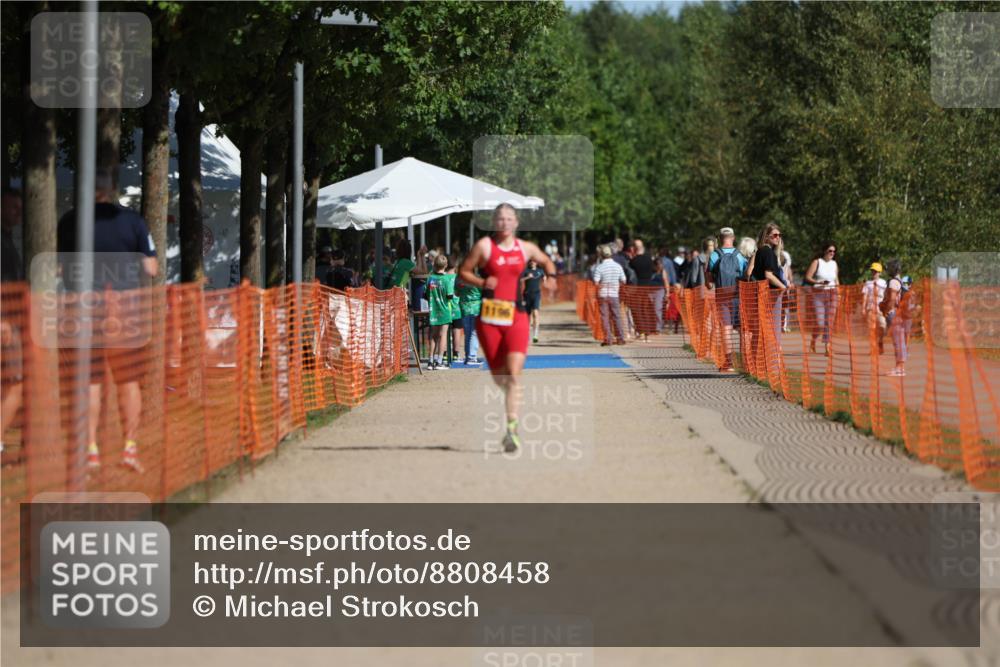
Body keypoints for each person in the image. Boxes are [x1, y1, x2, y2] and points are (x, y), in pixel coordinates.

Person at [57, 169, 159, 473]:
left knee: (90, 383)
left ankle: (91, 451)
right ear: (113, 188)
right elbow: (152, 268)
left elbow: (62, 270)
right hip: (124, 313)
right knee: (128, 382)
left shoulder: (70, 221)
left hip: (85, 311)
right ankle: (129, 449)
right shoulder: (133, 222)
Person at [459, 203, 556, 453]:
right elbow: (463, 272)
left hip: (516, 316)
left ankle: (512, 429)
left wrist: (552, 277)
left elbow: (546, 261)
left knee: (514, 374)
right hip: (489, 319)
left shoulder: (525, 248)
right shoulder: (484, 247)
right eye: (500, 219)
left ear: (516, 223)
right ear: (494, 222)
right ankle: (510, 402)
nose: (504, 222)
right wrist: (482, 281)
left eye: (509, 218)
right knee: (499, 376)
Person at [1, 189, 24, 461]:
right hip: (5, 323)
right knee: (15, 382)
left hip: (12, 321)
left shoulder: (8, 240)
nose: (17, 212)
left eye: (20, 207)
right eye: (12, 207)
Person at [708, 227, 749, 372]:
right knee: (742, 329)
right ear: (733, 237)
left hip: (722, 295)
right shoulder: (740, 255)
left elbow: (709, 281)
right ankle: (746, 363)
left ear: (719, 238)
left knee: (726, 328)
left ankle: (729, 363)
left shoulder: (714, 255)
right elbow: (746, 275)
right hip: (738, 294)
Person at [749, 223, 788, 356]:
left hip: (762, 295)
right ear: (766, 237)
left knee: (761, 329)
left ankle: (756, 362)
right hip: (770, 296)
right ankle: (771, 363)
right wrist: (783, 286)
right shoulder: (767, 252)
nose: (778, 238)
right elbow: (768, 275)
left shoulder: (761, 251)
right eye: (775, 235)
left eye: (779, 235)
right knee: (772, 329)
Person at [803, 242, 839, 356]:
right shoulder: (817, 262)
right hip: (819, 293)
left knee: (829, 321)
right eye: (830, 251)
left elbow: (836, 279)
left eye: (834, 251)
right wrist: (819, 282)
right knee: (820, 322)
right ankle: (813, 340)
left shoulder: (834, 264)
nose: (832, 253)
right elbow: (808, 277)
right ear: (825, 251)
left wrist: (839, 292)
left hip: (832, 293)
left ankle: (827, 347)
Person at [880, 259, 911, 377]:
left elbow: (892, 299)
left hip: (894, 313)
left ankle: (899, 368)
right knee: (900, 341)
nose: (887, 270)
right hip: (900, 314)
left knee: (897, 341)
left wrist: (886, 310)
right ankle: (900, 367)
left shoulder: (893, 282)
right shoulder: (900, 281)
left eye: (888, 267)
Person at [591, 244, 627, 347]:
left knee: (604, 317)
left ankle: (608, 339)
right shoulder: (618, 266)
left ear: (601, 255)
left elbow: (596, 282)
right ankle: (620, 339)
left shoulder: (599, 267)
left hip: (602, 295)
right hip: (614, 294)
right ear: (611, 255)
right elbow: (624, 280)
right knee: (617, 317)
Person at [425, 254, 455, 370]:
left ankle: (430, 361)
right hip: (445, 310)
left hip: (433, 310)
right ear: (446, 265)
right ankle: (439, 361)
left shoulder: (430, 278)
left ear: (434, 265)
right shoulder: (447, 279)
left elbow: (426, 294)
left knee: (434, 335)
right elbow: (450, 296)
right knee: (443, 335)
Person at [456, 268, 482, 365]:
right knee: (474, 332)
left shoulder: (459, 278)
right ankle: (472, 357)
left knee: (467, 333)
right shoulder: (478, 278)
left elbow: (456, 293)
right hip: (476, 308)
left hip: (464, 307)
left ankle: (468, 356)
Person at [861, 261, 887, 351]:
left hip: (881, 309)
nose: (874, 273)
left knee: (883, 326)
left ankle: (880, 341)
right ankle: (873, 348)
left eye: (876, 271)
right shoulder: (868, 283)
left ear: (880, 272)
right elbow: (864, 296)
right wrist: (863, 308)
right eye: (873, 271)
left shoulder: (884, 283)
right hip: (870, 308)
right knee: (871, 329)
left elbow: (887, 294)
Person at [520, 258, 545, 343]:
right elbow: (519, 280)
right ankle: (527, 335)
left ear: (536, 262)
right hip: (527, 295)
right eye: (531, 261)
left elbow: (544, 276)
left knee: (535, 313)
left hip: (536, 294)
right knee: (527, 317)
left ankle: (535, 335)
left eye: (534, 261)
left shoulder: (540, 271)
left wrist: (545, 278)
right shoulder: (525, 271)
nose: (532, 263)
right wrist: (527, 277)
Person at [448, 256, 465, 363]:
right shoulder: (458, 278)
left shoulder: (443, 277)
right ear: (455, 266)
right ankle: (456, 354)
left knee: (444, 332)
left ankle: (444, 354)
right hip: (457, 308)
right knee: (457, 331)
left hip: (445, 309)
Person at [779, 248, 794, 332]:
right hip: (777, 285)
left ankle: (784, 325)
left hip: (786, 285)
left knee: (784, 306)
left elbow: (788, 268)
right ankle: (779, 325)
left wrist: (791, 281)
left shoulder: (785, 255)